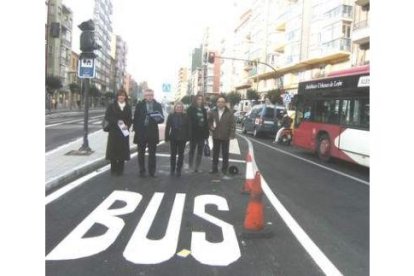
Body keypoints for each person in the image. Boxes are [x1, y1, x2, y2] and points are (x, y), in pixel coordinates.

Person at [133, 88, 164, 177]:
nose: (149, 97)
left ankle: (152, 171)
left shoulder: (157, 105)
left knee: (152, 153)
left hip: (152, 132)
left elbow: (161, 119)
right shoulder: (139, 105)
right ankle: (142, 171)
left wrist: (158, 118)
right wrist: (136, 130)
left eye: (151, 95)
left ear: (153, 95)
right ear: (144, 96)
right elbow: (136, 118)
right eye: (147, 95)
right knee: (141, 153)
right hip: (141, 132)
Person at [104, 89, 132, 176]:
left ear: (125, 97)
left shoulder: (128, 107)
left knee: (122, 151)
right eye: (120, 95)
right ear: (117, 97)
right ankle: (113, 169)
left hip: (124, 130)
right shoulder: (111, 106)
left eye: (123, 95)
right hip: (114, 130)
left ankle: (120, 170)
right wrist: (118, 122)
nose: (121, 97)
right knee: (113, 151)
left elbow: (130, 119)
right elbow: (107, 117)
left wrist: (127, 125)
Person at [208, 96, 236, 174]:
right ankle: (214, 168)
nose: (220, 103)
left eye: (222, 102)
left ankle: (224, 169)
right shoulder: (212, 111)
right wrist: (211, 127)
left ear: (225, 103)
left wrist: (232, 134)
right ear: (217, 103)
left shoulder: (229, 112)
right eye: (219, 102)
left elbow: (233, 124)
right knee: (215, 153)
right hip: (216, 135)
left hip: (225, 136)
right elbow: (209, 121)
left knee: (225, 153)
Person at [165, 102, 190, 177]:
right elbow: (168, 127)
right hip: (173, 137)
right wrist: (166, 137)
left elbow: (189, 127)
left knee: (181, 154)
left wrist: (188, 137)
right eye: (177, 107)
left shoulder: (186, 116)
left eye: (180, 107)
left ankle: (178, 169)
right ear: (175, 108)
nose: (179, 108)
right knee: (173, 154)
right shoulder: (171, 115)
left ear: (182, 108)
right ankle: (172, 169)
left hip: (183, 138)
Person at [186, 95, 209, 172]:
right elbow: (188, 122)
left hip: (202, 134)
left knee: (200, 151)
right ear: (195, 100)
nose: (200, 101)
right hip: (193, 133)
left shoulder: (204, 110)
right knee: (192, 151)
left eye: (201, 99)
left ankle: (197, 167)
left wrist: (206, 134)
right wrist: (188, 133)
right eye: (198, 99)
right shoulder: (190, 109)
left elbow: (206, 123)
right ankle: (190, 167)